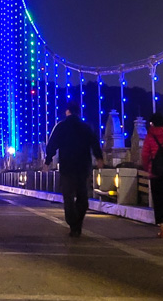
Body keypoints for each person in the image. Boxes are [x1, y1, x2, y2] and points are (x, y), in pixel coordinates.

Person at [44, 101, 104, 237]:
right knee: (83, 196)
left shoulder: (61, 127)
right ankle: (78, 223)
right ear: (78, 112)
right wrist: (99, 158)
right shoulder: (86, 127)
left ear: (67, 111)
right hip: (83, 166)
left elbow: (52, 145)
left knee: (68, 197)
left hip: (67, 166)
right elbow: (95, 143)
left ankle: (73, 223)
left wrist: (47, 161)